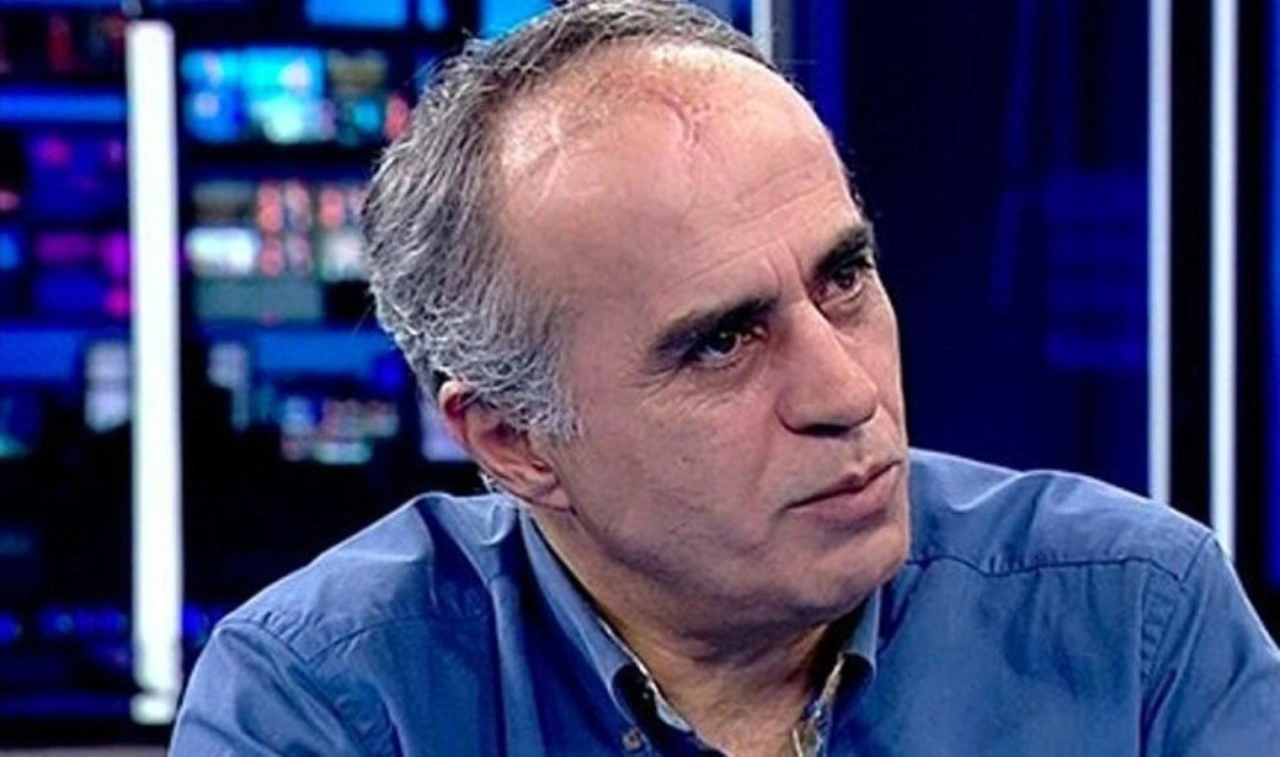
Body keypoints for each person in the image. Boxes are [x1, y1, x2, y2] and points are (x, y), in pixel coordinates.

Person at [169, 1, 1280, 754]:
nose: (845, 394)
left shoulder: (1135, 618)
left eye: (843, 277)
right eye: (722, 341)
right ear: (513, 439)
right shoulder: (327, 704)